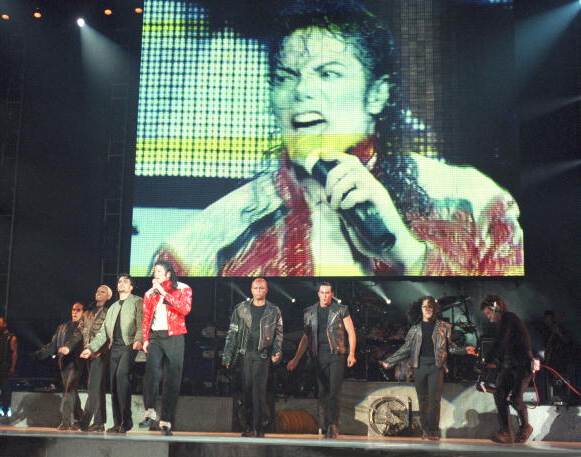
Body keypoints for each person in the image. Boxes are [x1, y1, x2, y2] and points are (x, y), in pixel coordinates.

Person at [153, 4, 523, 277]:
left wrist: (408, 253)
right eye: (286, 76)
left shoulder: (475, 202)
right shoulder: (205, 241)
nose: (302, 91)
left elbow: (498, 315)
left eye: (328, 74)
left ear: (377, 95)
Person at [379, 297, 476, 440]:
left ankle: (433, 431)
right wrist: (390, 361)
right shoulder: (415, 329)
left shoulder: (444, 326)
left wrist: (464, 350)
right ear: (420, 309)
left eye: (430, 306)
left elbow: (449, 348)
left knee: (435, 400)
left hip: (436, 366)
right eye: (425, 307)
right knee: (422, 400)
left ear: (435, 309)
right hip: (420, 366)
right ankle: (425, 430)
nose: (428, 309)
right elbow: (406, 348)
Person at [287, 282, 356, 439]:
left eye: (327, 293)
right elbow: (306, 337)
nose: (325, 296)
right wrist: (296, 359)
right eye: (322, 292)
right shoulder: (309, 312)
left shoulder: (341, 310)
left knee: (334, 391)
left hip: (336, 354)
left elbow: (351, 332)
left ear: (332, 294)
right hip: (318, 356)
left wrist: (351, 353)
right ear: (318, 294)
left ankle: (333, 425)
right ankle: (327, 424)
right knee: (323, 392)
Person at [80, 274, 143, 434]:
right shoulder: (113, 307)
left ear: (131, 287)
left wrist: (139, 339)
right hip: (114, 348)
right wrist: (91, 348)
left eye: (125, 282)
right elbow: (104, 332)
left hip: (129, 345)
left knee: (122, 377)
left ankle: (126, 421)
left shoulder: (137, 301)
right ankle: (117, 422)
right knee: (114, 384)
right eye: (119, 281)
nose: (121, 283)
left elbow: (141, 323)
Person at [222, 278, 283, 437]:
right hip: (245, 354)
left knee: (259, 391)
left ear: (266, 290)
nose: (258, 291)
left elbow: (278, 334)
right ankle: (249, 426)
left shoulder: (273, 310)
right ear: (251, 289)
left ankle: (259, 427)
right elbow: (232, 333)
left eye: (261, 288)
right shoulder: (241, 308)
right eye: (256, 288)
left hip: (262, 354)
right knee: (247, 390)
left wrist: (276, 351)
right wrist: (228, 355)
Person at [139, 261, 192, 436]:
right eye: (154, 271)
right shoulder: (149, 293)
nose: (156, 274)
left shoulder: (183, 288)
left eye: (159, 271)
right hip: (156, 336)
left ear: (168, 274)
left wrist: (164, 293)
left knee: (172, 378)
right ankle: (150, 411)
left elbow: (185, 309)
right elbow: (146, 318)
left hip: (175, 335)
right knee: (152, 372)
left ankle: (166, 421)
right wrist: (145, 339)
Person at [479, 294, 534, 443]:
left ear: (495, 308)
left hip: (523, 365)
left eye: (488, 313)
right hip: (511, 365)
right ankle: (506, 432)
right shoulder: (505, 322)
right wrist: (494, 361)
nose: (488, 317)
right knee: (499, 393)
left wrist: (489, 359)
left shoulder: (509, 317)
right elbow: (505, 346)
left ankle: (525, 427)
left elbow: (501, 341)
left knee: (516, 399)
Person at [64, 285, 113, 432]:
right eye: (97, 291)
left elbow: (108, 334)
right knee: (98, 388)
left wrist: (99, 351)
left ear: (109, 296)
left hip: (100, 354)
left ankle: (84, 422)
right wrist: (68, 346)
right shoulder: (87, 313)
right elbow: (78, 332)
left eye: (102, 291)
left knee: (93, 387)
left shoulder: (109, 312)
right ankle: (99, 423)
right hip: (88, 354)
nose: (98, 293)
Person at [33, 303, 85, 430]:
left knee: (69, 390)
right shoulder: (62, 327)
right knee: (71, 390)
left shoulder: (84, 326)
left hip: (77, 363)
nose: (75, 312)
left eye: (78, 310)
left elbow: (80, 341)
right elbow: (53, 345)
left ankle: (65, 421)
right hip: (64, 363)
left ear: (83, 312)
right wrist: (38, 354)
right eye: (73, 309)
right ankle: (80, 417)